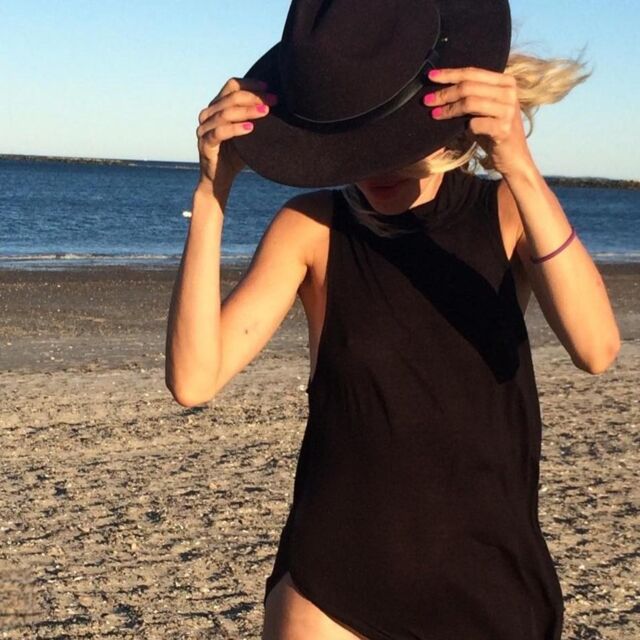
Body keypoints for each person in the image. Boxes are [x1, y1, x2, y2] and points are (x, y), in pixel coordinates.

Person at [165, 1, 621, 638]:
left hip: (491, 581)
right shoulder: (312, 228)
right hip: (332, 587)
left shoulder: (507, 215)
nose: (374, 165)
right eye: (350, 143)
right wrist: (211, 194)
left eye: (391, 136)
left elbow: (597, 348)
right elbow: (194, 379)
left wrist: (518, 163)